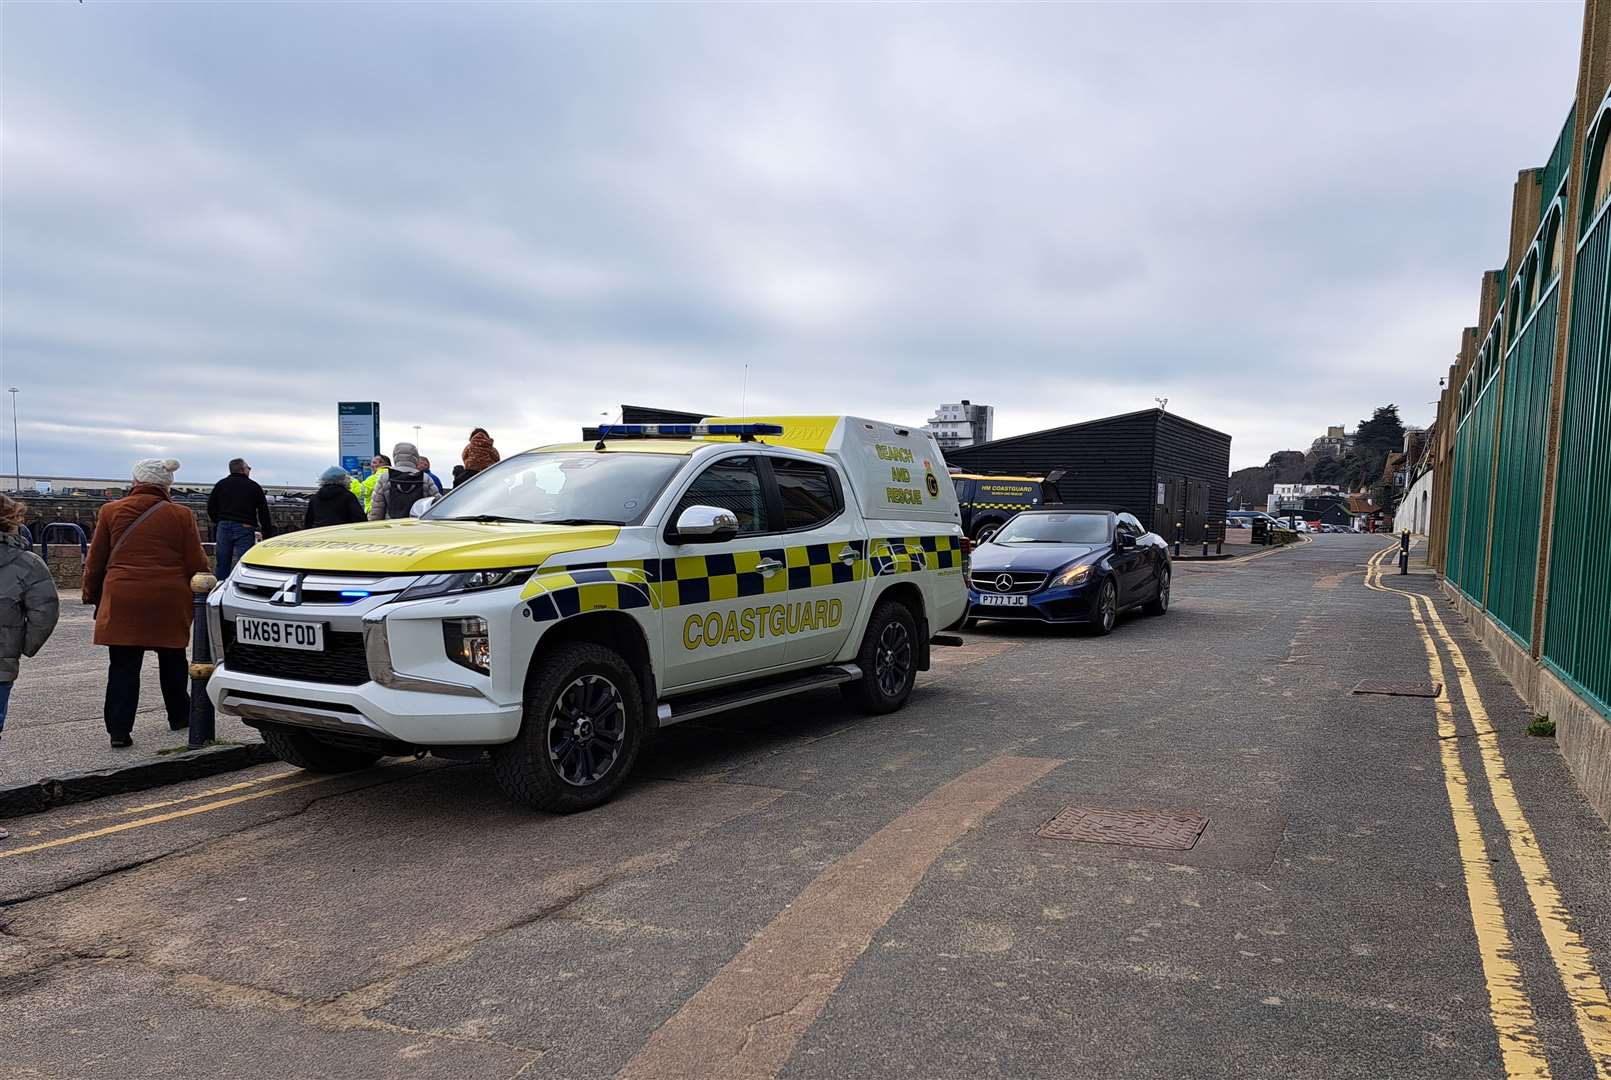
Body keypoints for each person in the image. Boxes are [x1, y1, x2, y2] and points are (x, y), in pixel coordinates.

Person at [82, 458, 210, 749]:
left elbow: (96, 560)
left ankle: (119, 730)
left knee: (124, 665)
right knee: (173, 659)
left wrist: (91, 595)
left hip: (124, 597)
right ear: (167, 485)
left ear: (136, 481)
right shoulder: (181, 514)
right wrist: (205, 590)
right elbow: (196, 561)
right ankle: (179, 717)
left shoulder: (110, 511)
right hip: (168, 598)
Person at [207, 457, 274, 578]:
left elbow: (211, 507)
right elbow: (264, 512)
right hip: (245, 526)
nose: (249, 470)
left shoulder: (221, 485)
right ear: (242, 469)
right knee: (244, 562)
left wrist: (219, 521)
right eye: (248, 468)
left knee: (222, 562)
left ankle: (220, 588)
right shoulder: (253, 486)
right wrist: (267, 534)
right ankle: (242, 588)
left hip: (224, 525)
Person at [368, 443, 441, 520]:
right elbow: (437, 504)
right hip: (417, 526)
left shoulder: (385, 477)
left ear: (395, 456)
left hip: (391, 526)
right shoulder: (425, 478)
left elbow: (377, 508)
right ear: (415, 457)